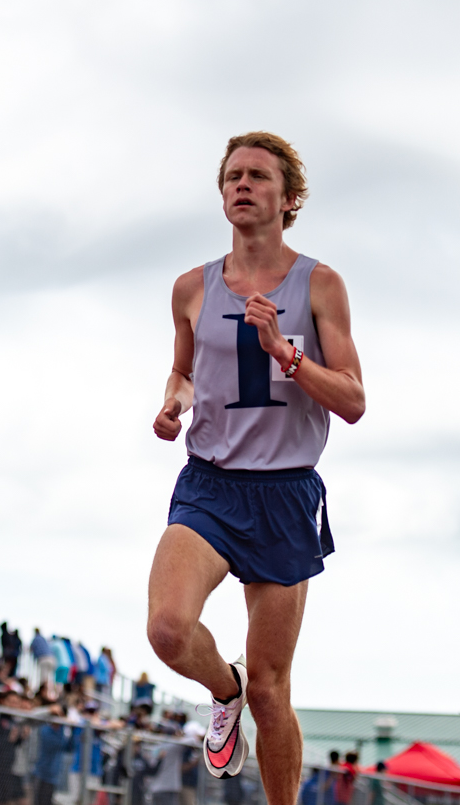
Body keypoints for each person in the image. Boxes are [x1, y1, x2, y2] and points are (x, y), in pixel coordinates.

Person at [147, 132, 364, 799]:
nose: (242, 185)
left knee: (274, 693)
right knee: (167, 629)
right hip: (209, 484)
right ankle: (224, 688)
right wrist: (170, 404)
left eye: (258, 177)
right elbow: (184, 371)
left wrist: (285, 352)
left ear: (288, 198)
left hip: (285, 494)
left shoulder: (319, 285)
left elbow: (353, 400)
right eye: (233, 176)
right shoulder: (191, 288)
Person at [33, 705, 73, 805]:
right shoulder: (45, 729)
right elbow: (54, 743)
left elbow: (69, 747)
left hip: (54, 774)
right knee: (40, 800)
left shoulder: (63, 731)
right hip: (42, 772)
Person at [30, 629, 55, 693]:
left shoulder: (35, 639)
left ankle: (43, 692)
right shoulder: (44, 639)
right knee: (50, 677)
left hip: (43, 658)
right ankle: (49, 692)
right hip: (51, 658)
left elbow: (31, 648)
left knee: (43, 678)